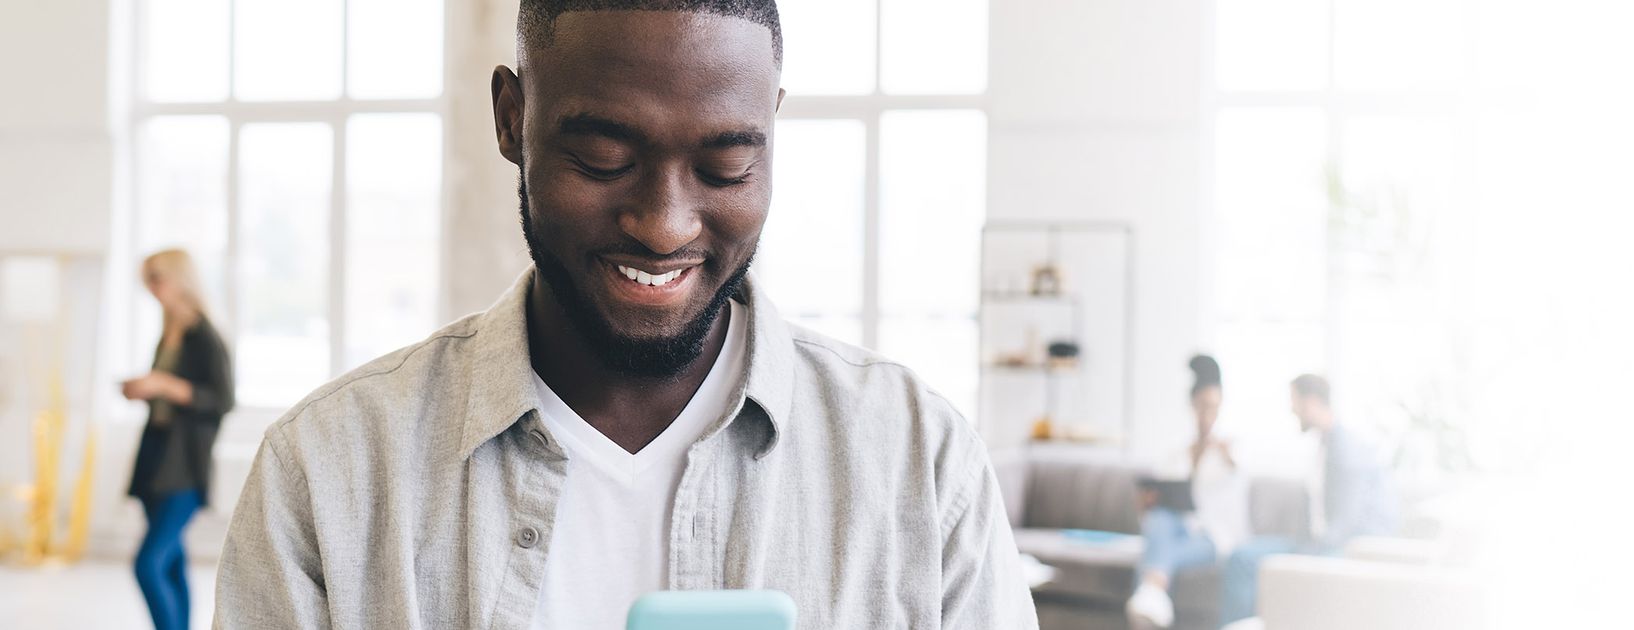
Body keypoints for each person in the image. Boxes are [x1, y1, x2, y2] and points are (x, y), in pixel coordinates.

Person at [212, 2, 1035, 628]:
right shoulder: (330, 470)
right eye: (604, 159)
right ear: (511, 118)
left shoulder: (918, 465)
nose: (665, 224)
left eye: (726, 166)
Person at [1219, 374, 1398, 624]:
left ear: (1312, 402)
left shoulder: (1346, 448)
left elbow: (1344, 524)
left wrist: (1304, 554)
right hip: (1313, 542)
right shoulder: (1321, 445)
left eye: (1295, 402)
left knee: (1303, 576)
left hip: (1346, 548)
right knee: (1242, 559)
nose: (1292, 410)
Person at [121, 249, 234, 630]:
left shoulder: (206, 336)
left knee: (148, 563)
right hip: (156, 455)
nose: (152, 288)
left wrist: (164, 384)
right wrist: (146, 389)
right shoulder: (168, 331)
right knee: (171, 562)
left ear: (179, 279)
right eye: (147, 280)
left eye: (157, 278)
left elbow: (221, 399)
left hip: (183, 465)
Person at [1126, 355, 1252, 629]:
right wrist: (1147, 502)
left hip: (1213, 538)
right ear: (1192, 406)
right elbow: (1163, 502)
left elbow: (1239, 480)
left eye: (1214, 408)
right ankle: (1152, 599)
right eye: (1202, 407)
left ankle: (1151, 593)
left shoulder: (1232, 450)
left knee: (1155, 554)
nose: (1207, 416)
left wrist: (1228, 458)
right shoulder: (1177, 452)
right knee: (1159, 520)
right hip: (1178, 528)